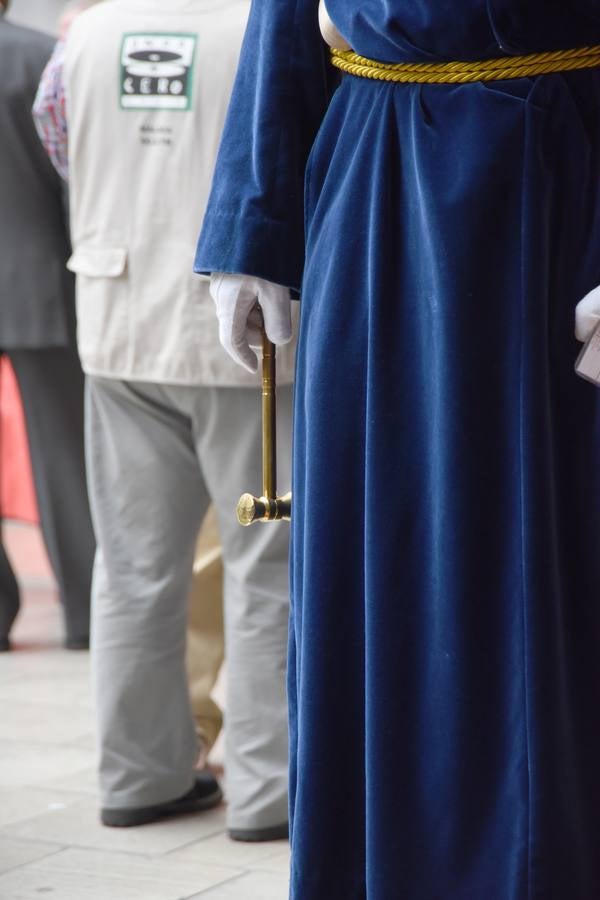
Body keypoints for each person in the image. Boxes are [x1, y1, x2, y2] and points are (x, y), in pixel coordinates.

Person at [196, 0, 600, 896]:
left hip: (561, 186)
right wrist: (251, 225)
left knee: (543, 563)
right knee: (376, 547)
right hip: (373, 181)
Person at [34, 0, 296, 840]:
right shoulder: (270, 24)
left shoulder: (84, 35)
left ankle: (138, 776)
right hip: (247, 332)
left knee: (132, 566)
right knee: (268, 564)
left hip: (118, 320)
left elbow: (61, 147)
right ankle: (272, 789)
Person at [0, 0, 94, 652]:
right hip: (40, 281)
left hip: (38, 280)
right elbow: (71, 178)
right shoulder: (38, 58)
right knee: (66, 458)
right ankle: (87, 614)